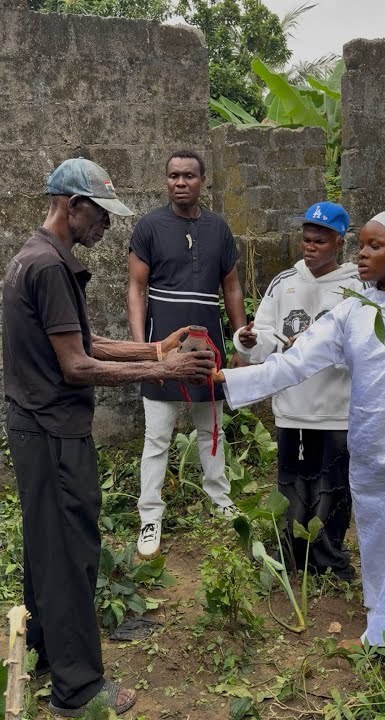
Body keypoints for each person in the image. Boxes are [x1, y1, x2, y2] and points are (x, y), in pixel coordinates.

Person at [3, 158, 215, 716]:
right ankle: (78, 689)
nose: (107, 227)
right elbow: (76, 365)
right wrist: (162, 371)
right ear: (71, 206)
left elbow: (87, 340)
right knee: (68, 552)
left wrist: (152, 349)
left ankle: (49, 652)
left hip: (44, 428)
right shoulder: (48, 266)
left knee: (51, 547)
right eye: (100, 215)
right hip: (51, 430)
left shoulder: (44, 257)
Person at [216, 210, 385, 647]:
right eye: (364, 245)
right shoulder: (353, 311)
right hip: (372, 448)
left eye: (376, 246)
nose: (364, 255)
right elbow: (294, 362)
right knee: (380, 536)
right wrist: (230, 378)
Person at [231, 201, 363, 579]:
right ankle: (291, 555)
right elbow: (267, 339)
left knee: (333, 487)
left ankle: (327, 558)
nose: (310, 247)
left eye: (319, 241)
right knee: (292, 483)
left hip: (336, 408)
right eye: (306, 240)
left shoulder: (357, 288)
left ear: (339, 242)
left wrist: (320, 348)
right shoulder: (284, 282)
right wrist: (248, 340)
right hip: (292, 406)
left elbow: (361, 347)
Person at [127, 149, 248, 558]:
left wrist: (238, 340)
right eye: (173, 176)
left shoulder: (219, 229)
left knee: (211, 428)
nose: (181, 182)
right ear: (166, 181)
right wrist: (145, 351)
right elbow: (136, 289)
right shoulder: (148, 227)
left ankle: (220, 498)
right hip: (163, 348)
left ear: (202, 181)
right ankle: (150, 517)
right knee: (157, 436)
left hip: (207, 348)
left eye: (189, 176)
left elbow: (231, 286)